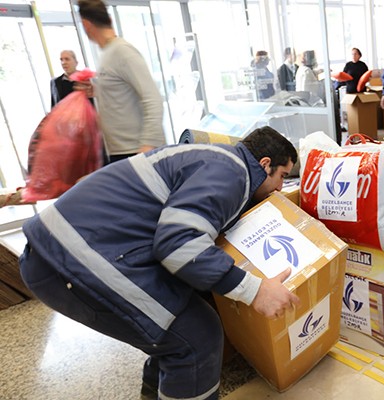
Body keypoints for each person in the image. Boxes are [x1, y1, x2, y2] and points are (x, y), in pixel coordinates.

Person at [19, 126, 301, 400]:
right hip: (71, 257)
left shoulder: (216, 159)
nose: (280, 188)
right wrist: (255, 290)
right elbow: (179, 245)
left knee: (178, 326)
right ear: (265, 164)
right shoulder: (231, 174)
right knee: (196, 338)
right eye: (282, 176)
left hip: (75, 247)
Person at [76, 0, 165, 164]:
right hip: (121, 151)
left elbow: (153, 99)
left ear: (86, 24)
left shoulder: (122, 52)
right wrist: (98, 90)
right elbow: (122, 88)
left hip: (136, 151)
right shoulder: (107, 53)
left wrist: (147, 147)